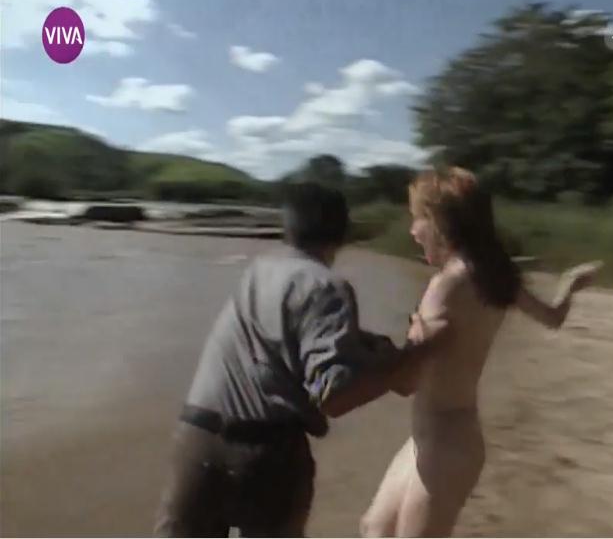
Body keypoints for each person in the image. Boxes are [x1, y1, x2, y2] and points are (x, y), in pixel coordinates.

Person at [154, 182, 426, 537]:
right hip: (266, 454)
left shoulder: (259, 270)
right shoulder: (327, 286)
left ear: (288, 228)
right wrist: (403, 365)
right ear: (344, 233)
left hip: (196, 440)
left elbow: (284, 333)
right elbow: (334, 397)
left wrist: (365, 345)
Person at [360, 167, 601, 537]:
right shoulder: (495, 275)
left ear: (439, 222)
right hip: (440, 438)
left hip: (445, 446)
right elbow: (553, 318)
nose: (412, 231)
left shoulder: (445, 286)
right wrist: (570, 284)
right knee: (374, 528)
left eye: (417, 218)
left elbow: (406, 383)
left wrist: (368, 352)